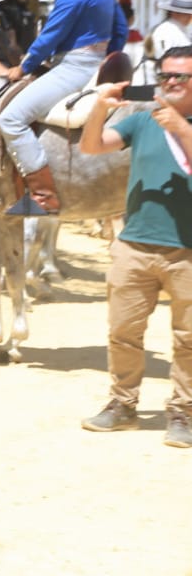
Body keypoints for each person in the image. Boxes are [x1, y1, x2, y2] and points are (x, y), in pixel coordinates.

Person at [77, 45, 192, 448]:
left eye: (181, 76)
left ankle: (184, 413)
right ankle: (123, 406)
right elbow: (91, 147)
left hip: (188, 252)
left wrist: (180, 127)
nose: (171, 82)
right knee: (123, 332)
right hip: (135, 246)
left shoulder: (174, 123)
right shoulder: (143, 122)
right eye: (165, 76)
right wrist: (99, 107)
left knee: (189, 338)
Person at [0, 0, 127, 214]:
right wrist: (108, 58)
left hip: (73, 67)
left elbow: (52, 34)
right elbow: (120, 28)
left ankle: (43, 198)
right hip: (97, 63)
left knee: (11, 119)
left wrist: (25, 66)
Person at [141, 0, 192, 85]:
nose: (189, 17)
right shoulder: (167, 31)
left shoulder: (176, 30)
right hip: (160, 81)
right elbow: (165, 61)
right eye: (187, 13)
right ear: (174, 13)